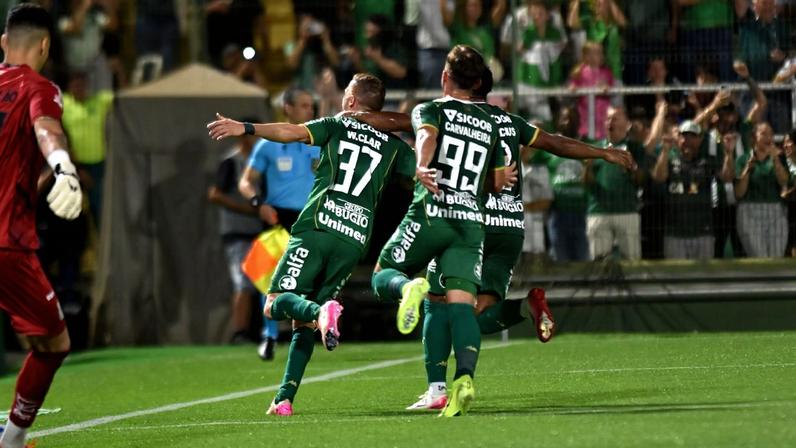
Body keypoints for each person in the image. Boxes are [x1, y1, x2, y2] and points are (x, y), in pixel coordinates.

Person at [357, 67, 634, 411]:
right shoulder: (508, 121)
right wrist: (603, 152)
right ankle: (524, 308)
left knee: (438, 301)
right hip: (512, 228)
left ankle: (437, 388)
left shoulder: (452, 115)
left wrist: (355, 117)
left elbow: (400, 122)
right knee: (474, 310)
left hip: (472, 219)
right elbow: (554, 142)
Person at [207, 73, 413, 416]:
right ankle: (285, 397)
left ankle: (321, 313)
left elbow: (292, 131)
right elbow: (422, 171)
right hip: (355, 239)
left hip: (317, 226)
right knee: (303, 322)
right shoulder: (395, 148)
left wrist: (246, 127)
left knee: (274, 304)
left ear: (350, 101)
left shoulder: (337, 124)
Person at [0, 5, 83, 447]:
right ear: (46, 46)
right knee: (54, 343)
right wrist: (63, 165)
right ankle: (12, 440)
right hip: (5, 243)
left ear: (2, 44)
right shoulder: (39, 87)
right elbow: (46, 128)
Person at [238, 87, 319, 361]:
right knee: (272, 280)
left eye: (311, 106)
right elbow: (246, 181)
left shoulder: (315, 139)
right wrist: (258, 204)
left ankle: (311, 329)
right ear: (288, 108)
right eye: (305, 105)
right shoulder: (267, 143)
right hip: (277, 218)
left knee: (308, 278)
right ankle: (269, 335)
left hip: (309, 215)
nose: (310, 111)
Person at [583, 105, 662, 260]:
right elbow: (586, 182)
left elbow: (641, 181)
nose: (610, 122)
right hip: (599, 212)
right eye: (608, 118)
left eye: (615, 118)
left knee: (631, 261)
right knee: (599, 264)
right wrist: (588, 166)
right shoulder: (594, 148)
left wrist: (631, 167)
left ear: (627, 124)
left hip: (627, 210)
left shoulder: (635, 148)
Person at [207, 127, 263, 345]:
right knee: (243, 282)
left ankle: (262, 330)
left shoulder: (261, 160)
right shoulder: (231, 161)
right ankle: (240, 332)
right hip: (238, 231)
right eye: (254, 135)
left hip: (261, 231)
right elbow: (215, 194)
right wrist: (247, 209)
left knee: (265, 282)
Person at [651, 121, 734, 259]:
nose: (687, 141)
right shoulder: (669, 160)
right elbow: (659, 177)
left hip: (703, 232)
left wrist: (729, 154)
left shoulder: (707, 162)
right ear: (678, 139)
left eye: (692, 137)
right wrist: (665, 151)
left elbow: (728, 178)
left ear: (700, 140)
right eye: (684, 136)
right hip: (674, 234)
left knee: (703, 278)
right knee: (676, 277)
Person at [61, 70, 113, 226]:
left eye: (82, 85)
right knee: (75, 211)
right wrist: (78, 168)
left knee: (100, 206)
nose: (79, 88)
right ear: (69, 87)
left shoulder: (100, 101)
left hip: (99, 165)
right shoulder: (63, 104)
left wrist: (120, 73)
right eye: (75, 85)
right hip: (75, 166)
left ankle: (101, 242)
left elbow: (123, 97)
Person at [735, 122, 791, 257]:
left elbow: (784, 181)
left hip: (776, 211)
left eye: (771, 134)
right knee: (759, 257)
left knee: (776, 257)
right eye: (764, 134)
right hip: (749, 212)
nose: (768, 137)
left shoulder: (779, 158)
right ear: (754, 137)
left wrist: (776, 159)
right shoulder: (743, 159)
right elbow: (739, 193)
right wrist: (748, 168)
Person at [569, 42, 615, 140]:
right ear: (585, 56)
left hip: (602, 110)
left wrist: (606, 88)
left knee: (603, 132)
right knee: (587, 133)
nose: (595, 56)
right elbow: (573, 85)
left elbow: (611, 88)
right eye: (591, 53)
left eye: (598, 53)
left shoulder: (607, 72)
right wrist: (573, 88)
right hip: (585, 109)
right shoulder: (580, 72)